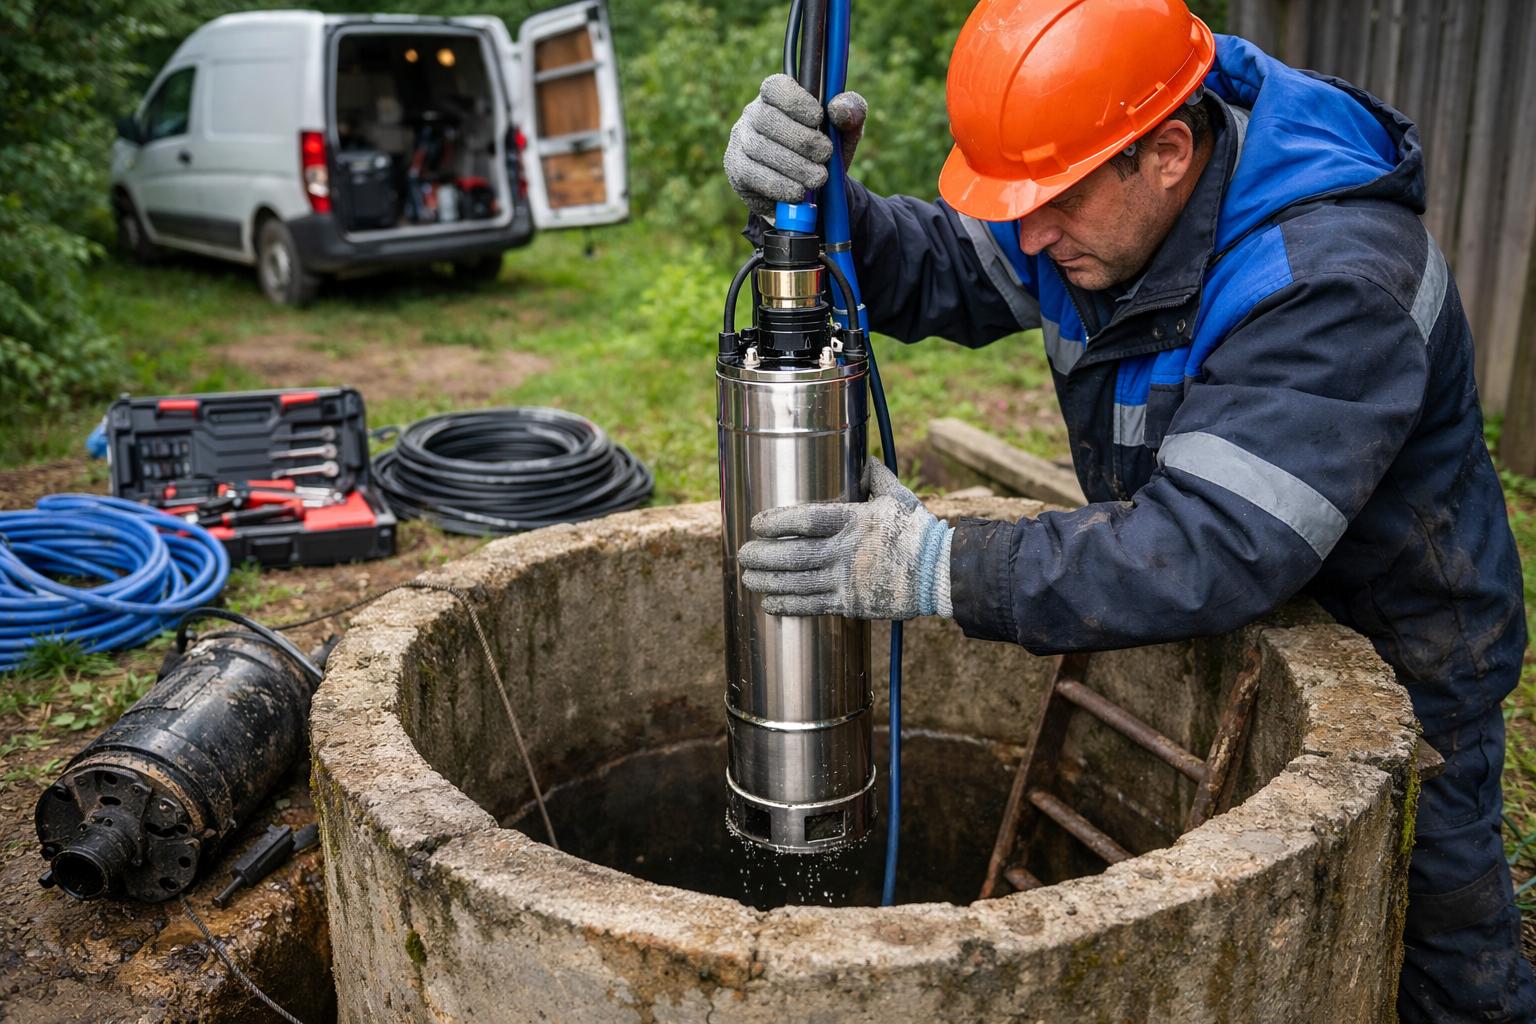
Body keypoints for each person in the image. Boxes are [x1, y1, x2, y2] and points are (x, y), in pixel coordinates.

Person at [721, 0, 1536, 1019]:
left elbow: (1208, 545)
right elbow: (938, 268)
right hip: (1221, 608)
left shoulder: (1333, 276)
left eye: (1049, 203)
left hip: (1407, 650)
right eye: (1015, 202)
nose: (1027, 233)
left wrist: (934, 565)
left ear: (1168, 153)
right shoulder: (1091, 196)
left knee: (1435, 945)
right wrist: (822, 207)